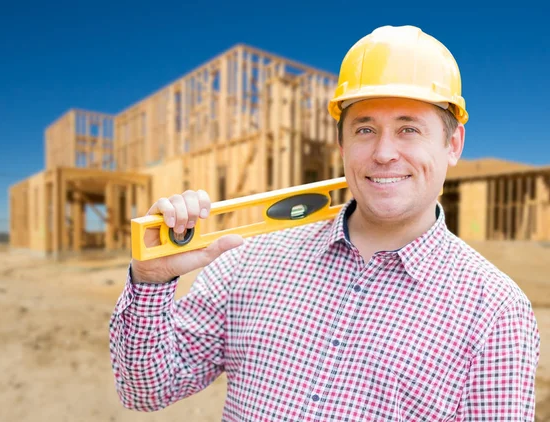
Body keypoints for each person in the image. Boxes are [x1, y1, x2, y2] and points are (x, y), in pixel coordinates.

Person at [109, 25, 540, 420]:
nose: (385, 153)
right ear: (341, 144)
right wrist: (150, 281)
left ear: (453, 144)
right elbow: (145, 391)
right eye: (365, 130)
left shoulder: (495, 312)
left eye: (409, 129)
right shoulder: (250, 261)